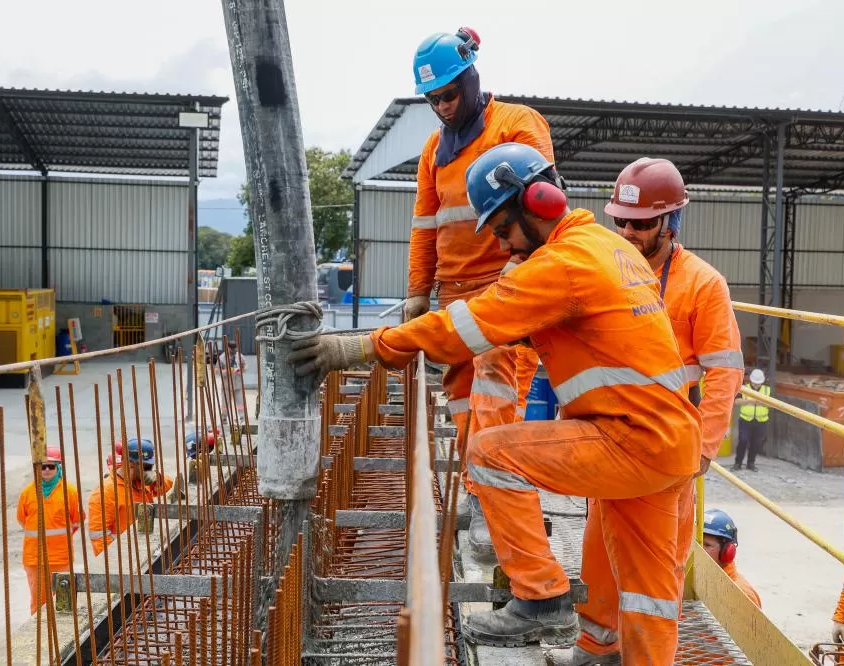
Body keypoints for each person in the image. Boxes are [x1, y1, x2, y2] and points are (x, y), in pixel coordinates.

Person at [288, 143, 703, 661]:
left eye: (505, 231)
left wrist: (361, 346)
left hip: (631, 439)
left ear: (540, 201)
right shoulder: (602, 245)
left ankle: (541, 593)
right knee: (649, 596)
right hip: (670, 443)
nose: (506, 248)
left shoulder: (563, 263)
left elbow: (463, 327)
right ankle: (607, 654)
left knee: (490, 452)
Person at [548, 158, 744, 665]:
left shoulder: (702, 284)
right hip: (611, 440)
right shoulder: (605, 270)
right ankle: (596, 646)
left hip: (668, 450)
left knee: (656, 575)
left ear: (671, 222)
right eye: (622, 222)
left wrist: (703, 449)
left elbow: (724, 372)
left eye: (642, 223)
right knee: (598, 548)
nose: (629, 232)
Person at [406, 27, 553, 556]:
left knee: (497, 390)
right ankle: (479, 487)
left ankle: (493, 505)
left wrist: (526, 275)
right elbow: (425, 227)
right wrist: (418, 293)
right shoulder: (433, 151)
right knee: (465, 399)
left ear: (471, 77)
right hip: (457, 296)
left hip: (507, 288)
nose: (443, 107)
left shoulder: (516, 124)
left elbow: (543, 204)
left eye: (449, 94)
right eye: (433, 100)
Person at [16, 447, 82, 615]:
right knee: (39, 603)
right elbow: (22, 519)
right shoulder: (27, 493)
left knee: (62, 601)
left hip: (61, 557)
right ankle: (41, 638)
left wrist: (59, 538)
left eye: (50, 466)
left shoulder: (70, 492)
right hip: (34, 558)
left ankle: (59, 637)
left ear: (58, 468)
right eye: (42, 466)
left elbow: (77, 520)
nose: (46, 470)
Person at [87, 438, 174, 556]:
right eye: (147, 467)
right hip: (125, 557)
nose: (149, 470)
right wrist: (121, 559)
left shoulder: (142, 481)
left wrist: (157, 478)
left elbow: (168, 485)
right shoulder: (105, 493)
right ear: (131, 464)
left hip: (147, 550)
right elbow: (99, 537)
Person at [701, 508, 761, 607]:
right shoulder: (700, 580)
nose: (700, 550)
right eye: (698, 543)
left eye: (707, 545)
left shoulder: (743, 594)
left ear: (727, 552)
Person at [734, 368, 770, 471]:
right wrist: (749, 401)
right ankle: (738, 463)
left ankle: (751, 463)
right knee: (743, 441)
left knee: (756, 443)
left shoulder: (767, 390)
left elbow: (773, 404)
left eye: (758, 383)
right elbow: (736, 401)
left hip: (761, 421)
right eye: (754, 383)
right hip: (745, 420)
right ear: (751, 380)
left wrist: (762, 402)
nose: (756, 385)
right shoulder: (745, 388)